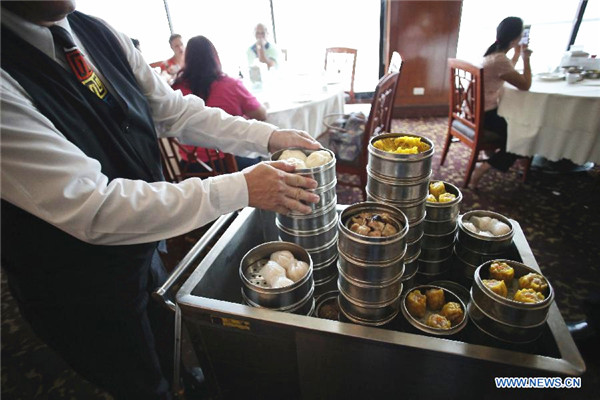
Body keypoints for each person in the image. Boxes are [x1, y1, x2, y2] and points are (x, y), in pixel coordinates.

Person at [0, 2, 321, 399]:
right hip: (75, 280)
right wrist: (241, 188)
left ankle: (182, 382)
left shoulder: (96, 32)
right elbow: (93, 207)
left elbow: (175, 112)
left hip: (143, 241)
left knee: (164, 335)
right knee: (132, 375)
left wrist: (266, 136)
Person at [173, 35, 267, 170]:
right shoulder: (231, 85)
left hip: (192, 168)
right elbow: (261, 114)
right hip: (233, 166)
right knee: (257, 153)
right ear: (215, 57)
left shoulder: (176, 90)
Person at [470, 16, 533, 188]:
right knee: (521, 137)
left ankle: (491, 155)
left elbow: (505, 70)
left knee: (516, 127)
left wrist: (516, 54)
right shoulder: (500, 59)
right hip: (485, 115)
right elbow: (525, 85)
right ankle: (484, 168)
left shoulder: (493, 54)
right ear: (515, 39)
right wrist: (526, 59)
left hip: (474, 111)